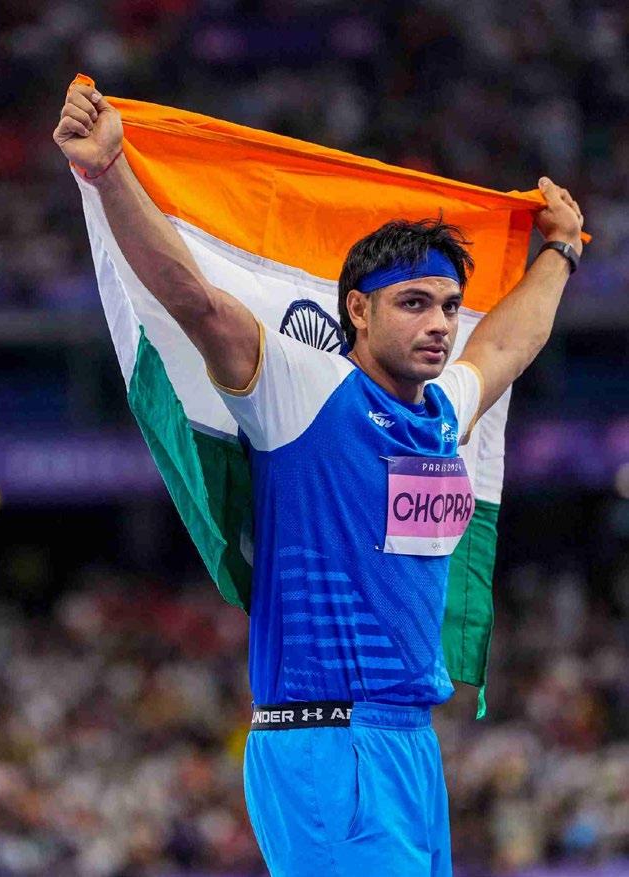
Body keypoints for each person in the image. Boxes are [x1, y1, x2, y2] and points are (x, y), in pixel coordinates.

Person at [54, 81, 584, 877]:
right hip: (324, 746)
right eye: (414, 303)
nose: (440, 324)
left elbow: (506, 344)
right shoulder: (305, 389)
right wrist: (109, 172)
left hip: (409, 746)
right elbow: (197, 302)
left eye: (449, 306)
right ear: (358, 313)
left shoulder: (442, 412)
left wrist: (561, 252)